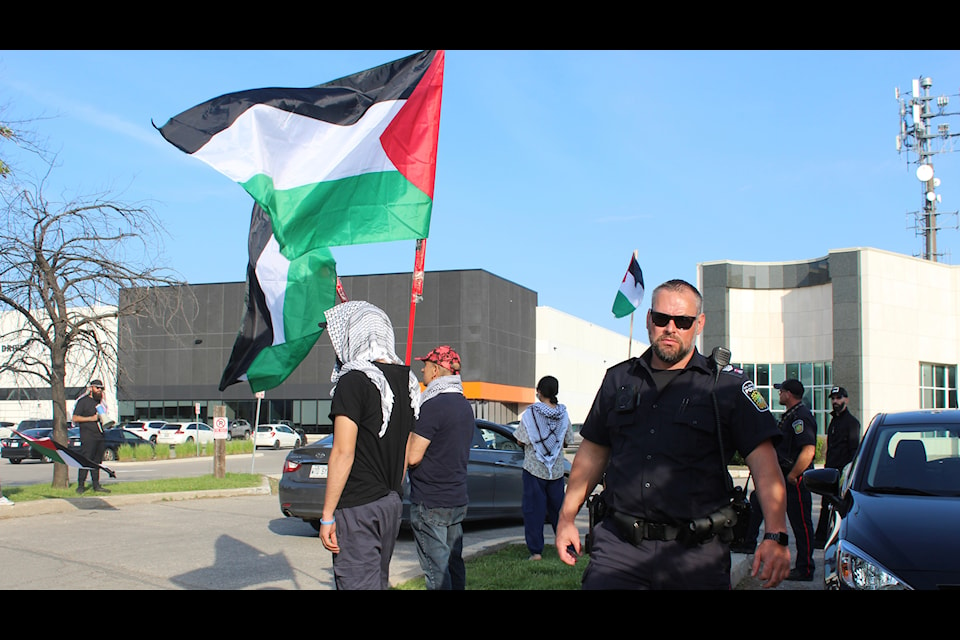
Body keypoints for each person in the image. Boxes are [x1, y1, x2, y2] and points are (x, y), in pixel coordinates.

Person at [554, 279, 791, 589]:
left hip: (697, 556)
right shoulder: (619, 379)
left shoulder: (727, 386)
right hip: (619, 550)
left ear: (699, 324)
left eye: (683, 321)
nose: (671, 328)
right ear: (650, 320)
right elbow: (592, 455)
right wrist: (566, 518)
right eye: (662, 319)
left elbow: (765, 466)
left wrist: (776, 534)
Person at [317, 300, 421, 590]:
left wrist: (326, 516)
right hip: (389, 501)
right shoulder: (407, 382)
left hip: (357, 506)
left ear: (353, 335)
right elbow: (405, 451)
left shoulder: (353, 380)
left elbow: (342, 452)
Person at [406, 345, 475, 590]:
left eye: (425, 365)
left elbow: (413, 457)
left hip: (431, 501)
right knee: (453, 565)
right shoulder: (464, 405)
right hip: (456, 498)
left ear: (435, 370)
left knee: (437, 572)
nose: (422, 369)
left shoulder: (433, 405)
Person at [735, 378, 817, 581]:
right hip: (781, 476)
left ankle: (805, 568)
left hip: (794, 480)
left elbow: (808, 450)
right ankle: (747, 544)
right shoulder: (791, 415)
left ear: (789, 394)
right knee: (756, 503)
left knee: (801, 525)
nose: (779, 394)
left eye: (781, 392)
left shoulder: (801, 417)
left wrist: (792, 475)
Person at [513, 375, 574, 561]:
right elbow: (567, 440)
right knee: (559, 510)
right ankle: (568, 548)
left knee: (534, 511)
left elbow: (520, 439)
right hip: (555, 469)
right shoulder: (563, 413)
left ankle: (536, 551)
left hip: (534, 467)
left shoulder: (531, 413)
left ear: (539, 391)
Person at [813, 385, 861, 548]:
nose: (835, 401)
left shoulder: (852, 423)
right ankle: (820, 538)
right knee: (825, 506)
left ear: (846, 400)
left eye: (839, 398)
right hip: (830, 471)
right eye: (833, 399)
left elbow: (854, 451)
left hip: (841, 474)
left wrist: (846, 474)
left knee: (838, 508)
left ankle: (837, 539)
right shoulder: (834, 421)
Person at [73, 379, 111, 494]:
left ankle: (96, 485)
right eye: (97, 388)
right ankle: (81, 485)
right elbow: (75, 418)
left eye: (101, 388)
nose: (99, 390)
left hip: (99, 435)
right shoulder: (82, 402)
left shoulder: (100, 403)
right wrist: (90, 419)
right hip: (88, 436)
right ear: (91, 388)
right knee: (86, 460)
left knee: (97, 461)